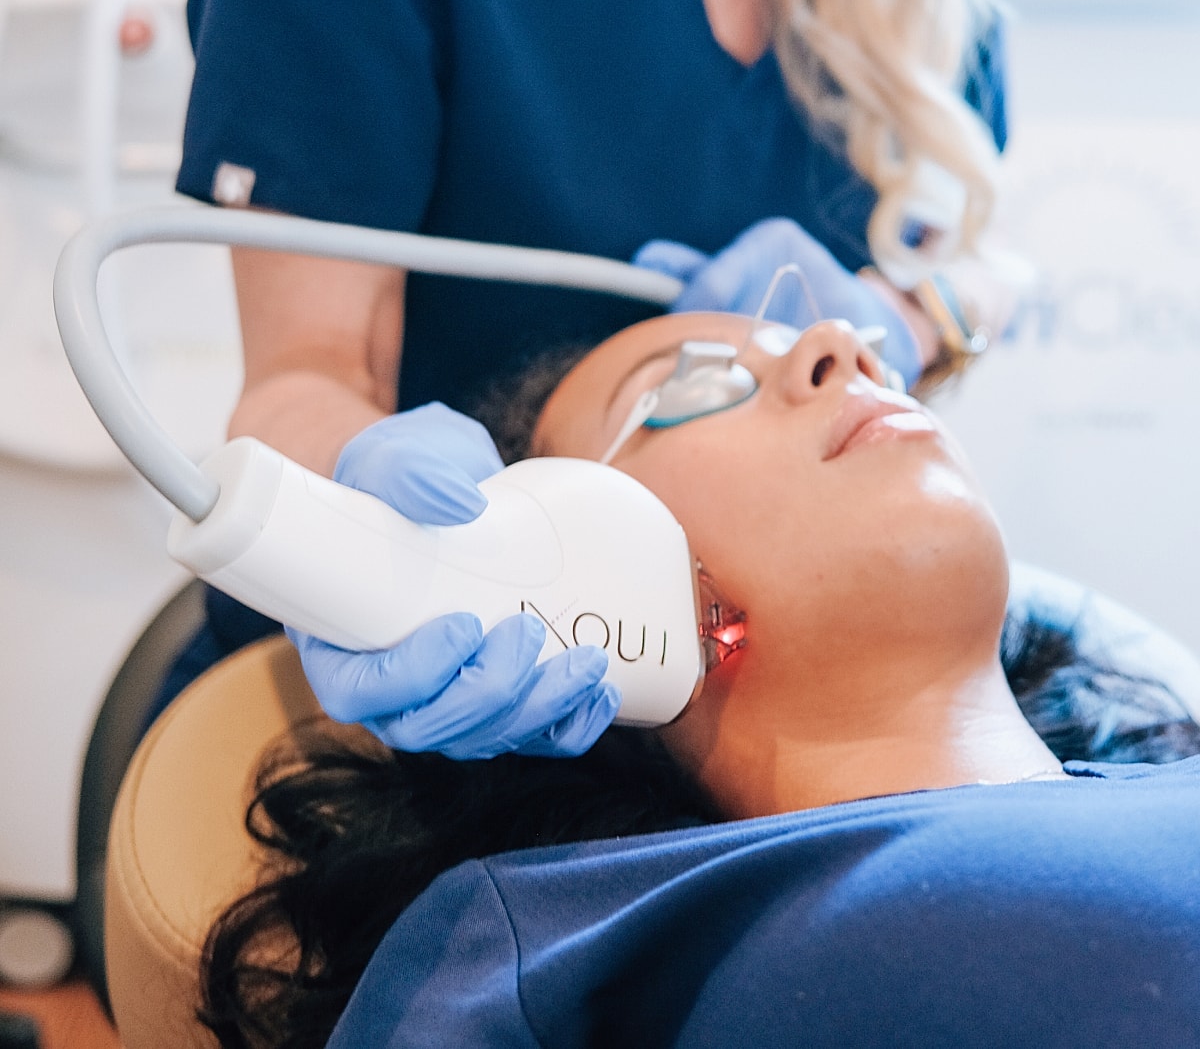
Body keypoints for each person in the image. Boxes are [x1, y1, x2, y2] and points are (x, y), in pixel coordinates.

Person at [172, 0, 1013, 754]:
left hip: (793, 694)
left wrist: (910, 328)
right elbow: (302, 374)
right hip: (483, 693)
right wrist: (367, 517)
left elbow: (978, 261)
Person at [200, 314, 1200, 1049]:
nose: (844, 344)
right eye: (690, 382)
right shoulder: (557, 954)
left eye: (863, 350)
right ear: (555, 592)